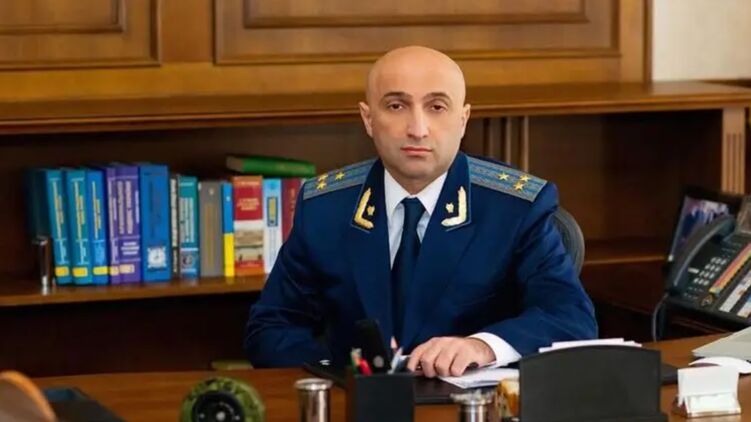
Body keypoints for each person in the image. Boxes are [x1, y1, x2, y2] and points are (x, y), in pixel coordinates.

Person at [245, 46, 597, 377]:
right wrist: (342, 374)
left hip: (470, 405)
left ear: (463, 119)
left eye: (437, 107)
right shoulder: (324, 207)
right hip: (357, 402)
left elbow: (570, 318)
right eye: (396, 106)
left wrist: (482, 346)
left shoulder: (515, 208)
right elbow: (272, 327)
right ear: (368, 119)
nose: (417, 129)